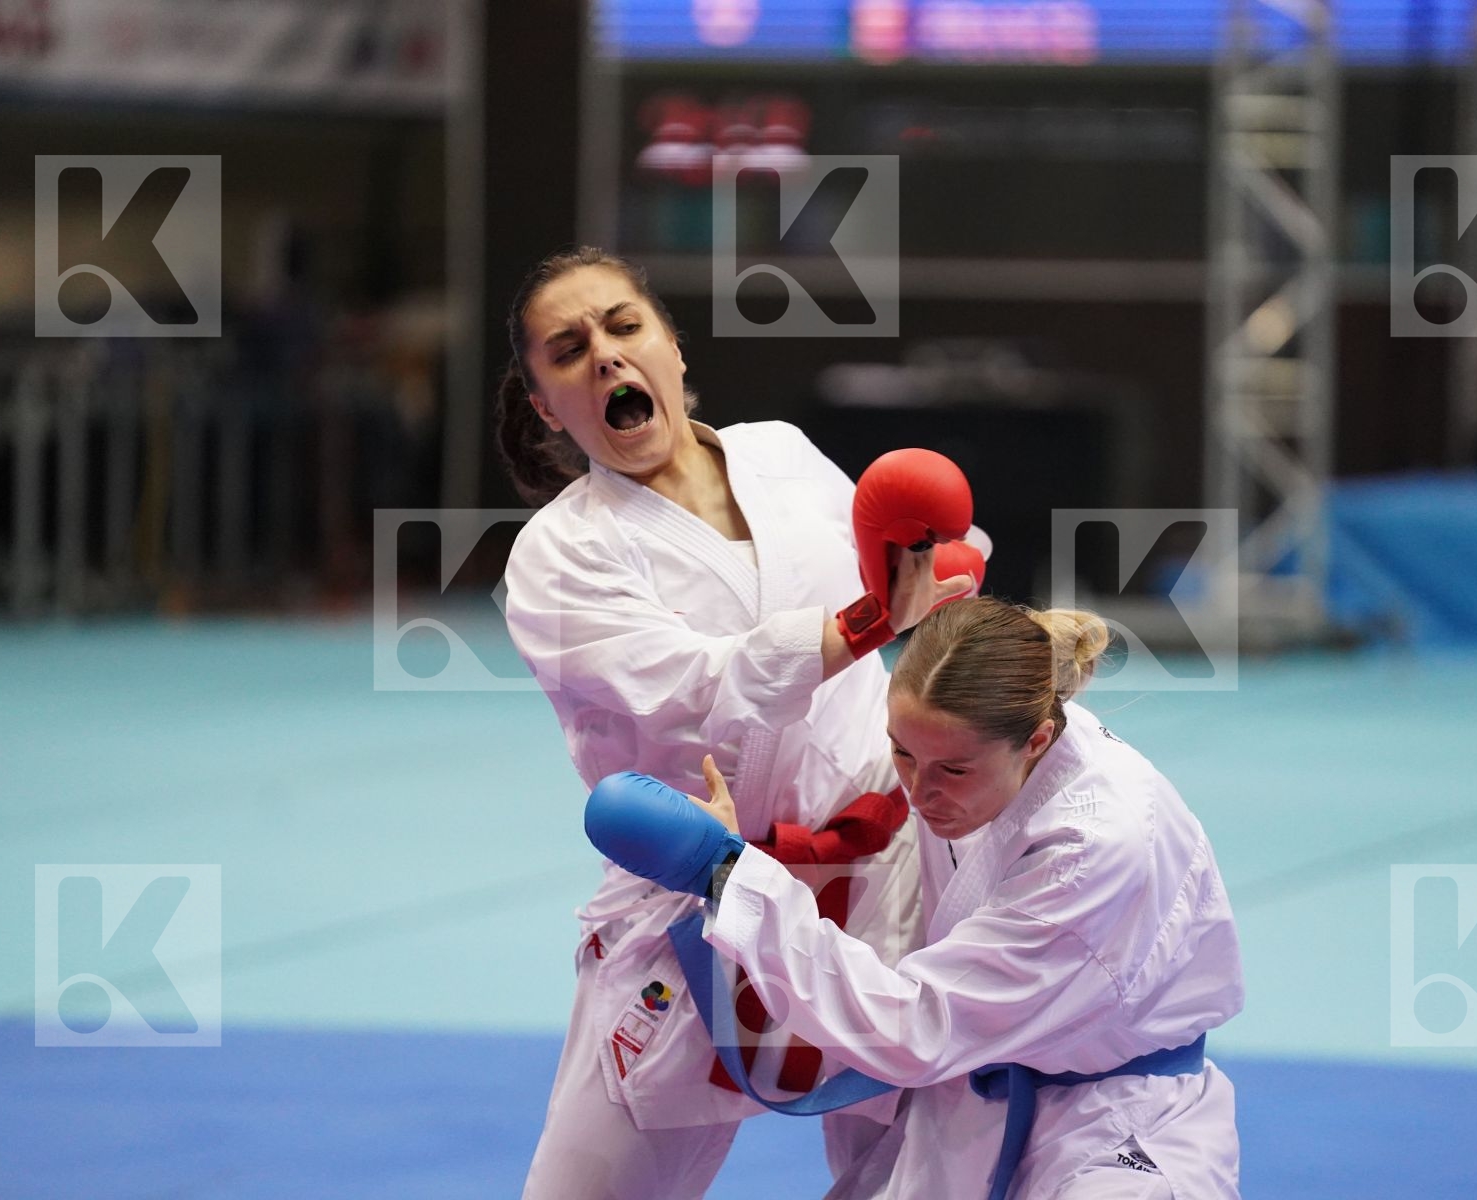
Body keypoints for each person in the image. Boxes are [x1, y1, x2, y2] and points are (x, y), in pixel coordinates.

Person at [497, 246, 976, 1199]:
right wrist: (866, 623)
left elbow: (913, 576)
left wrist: (946, 568)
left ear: (673, 349)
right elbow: (699, 689)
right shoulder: (558, 556)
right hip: (692, 898)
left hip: (878, 884)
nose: (604, 355)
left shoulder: (784, 456)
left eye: (624, 326)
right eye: (568, 348)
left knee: (912, 1181)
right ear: (548, 404)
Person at [590, 597, 1244, 1198]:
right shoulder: (983, 742)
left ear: (1037, 741)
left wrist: (727, 871)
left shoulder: (1096, 845)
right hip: (968, 1106)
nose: (921, 791)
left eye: (952, 770)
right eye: (903, 754)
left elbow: (913, 1026)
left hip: (1115, 1133)